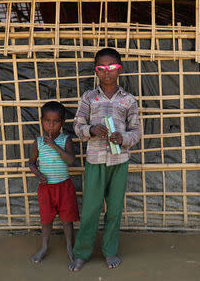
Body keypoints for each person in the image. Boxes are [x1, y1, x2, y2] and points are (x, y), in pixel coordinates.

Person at [69, 48, 141, 271]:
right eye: (101, 68)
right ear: (96, 71)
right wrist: (91, 130)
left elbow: (137, 131)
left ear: (119, 69)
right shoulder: (89, 98)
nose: (106, 72)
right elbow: (77, 126)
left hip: (119, 161)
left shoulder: (128, 100)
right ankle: (81, 253)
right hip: (95, 160)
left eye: (111, 68)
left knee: (115, 209)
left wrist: (124, 138)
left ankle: (110, 251)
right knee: (90, 208)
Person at [28, 101, 80, 263]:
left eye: (55, 121)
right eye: (47, 121)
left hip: (64, 187)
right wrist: (38, 174)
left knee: (67, 219)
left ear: (62, 123)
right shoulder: (38, 142)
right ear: (42, 121)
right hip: (46, 188)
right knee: (46, 219)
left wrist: (55, 146)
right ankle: (44, 247)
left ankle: (69, 247)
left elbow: (71, 160)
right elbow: (31, 163)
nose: (51, 125)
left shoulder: (66, 140)